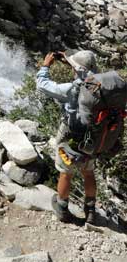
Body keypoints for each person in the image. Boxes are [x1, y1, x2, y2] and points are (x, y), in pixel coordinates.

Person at [37, 50, 98, 224]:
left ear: (77, 69)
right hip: (92, 138)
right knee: (88, 172)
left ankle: (62, 208)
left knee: (66, 173)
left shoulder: (73, 89)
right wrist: (71, 63)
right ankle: (91, 210)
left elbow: (42, 85)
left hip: (70, 136)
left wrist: (46, 66)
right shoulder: (101, 85)